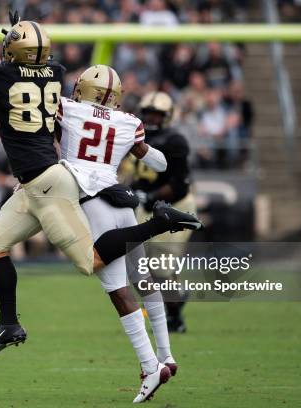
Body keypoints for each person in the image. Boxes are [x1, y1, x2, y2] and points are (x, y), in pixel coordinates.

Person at [0, 16, 201, 358]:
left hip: (52, 182)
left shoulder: (35, 89)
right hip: (36, 183)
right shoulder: (55, 72)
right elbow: (15, 76)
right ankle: (9, 324)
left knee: (90, 262)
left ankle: (160, 222)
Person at [57, 65, 196, 403]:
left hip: (93, 203)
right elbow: (161, 164)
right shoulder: (129, 122)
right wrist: (142, 149)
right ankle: (167, 354)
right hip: (123, 201)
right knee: (143, 279)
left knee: (118, 288)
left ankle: (151, 366)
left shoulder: (66, 108)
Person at [132, 91, 197, 333]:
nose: (151, 119)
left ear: (167, 117)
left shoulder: (175, 141)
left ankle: (173, 314)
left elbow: (179, 184)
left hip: (175, 209)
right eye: (148, 113)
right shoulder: (132, 134)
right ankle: (173, 304)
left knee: (159, 267)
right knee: (139, 265)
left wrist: (151, 196)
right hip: (146, 206)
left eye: (157, 115)